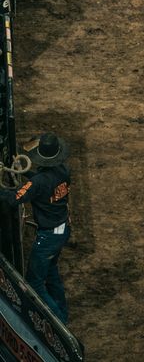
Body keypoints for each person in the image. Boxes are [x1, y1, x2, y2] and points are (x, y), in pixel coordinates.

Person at [0, 132, 71, 324]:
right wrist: (27, 172)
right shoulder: (64, 170)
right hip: (62, 228)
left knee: (35, 282)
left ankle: (57, 322)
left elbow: (14, 198)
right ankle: (62, 314)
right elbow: (41, 181)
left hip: (49, 235)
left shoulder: (38, 183)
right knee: (50, 272)